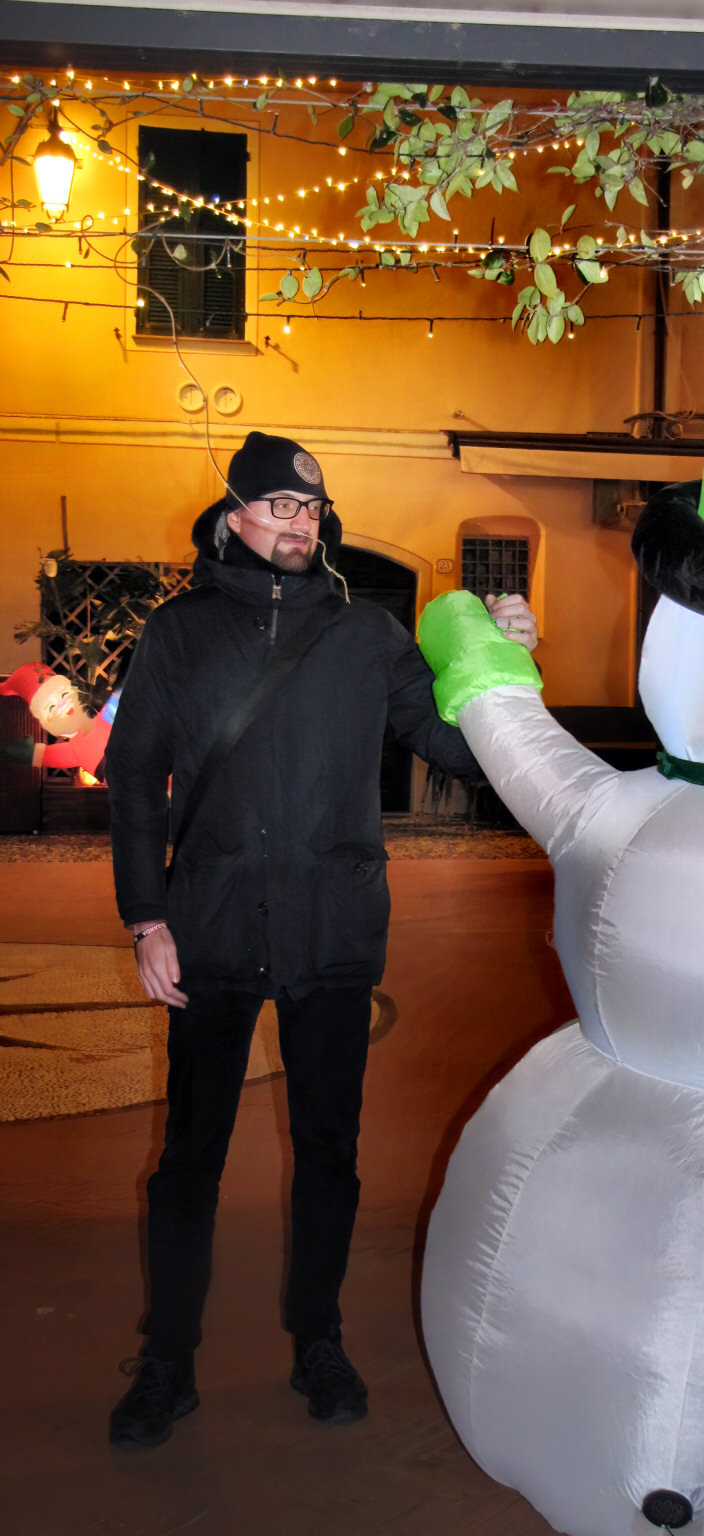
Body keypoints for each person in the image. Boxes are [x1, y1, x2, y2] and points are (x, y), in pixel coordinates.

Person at [104, 430, 537, 1449]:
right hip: (211, 928)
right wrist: (146, 918)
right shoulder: (179, 634)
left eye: (310, 509)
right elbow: (133, 782)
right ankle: (168, 1358)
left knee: (331, 1154)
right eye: (279, 507)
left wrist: (513, 658)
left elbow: (456, 748)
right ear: (234, 518)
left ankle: (319, 1339)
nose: (299, 523)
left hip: (333, 929)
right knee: (189, 1158)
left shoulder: (364, 636)